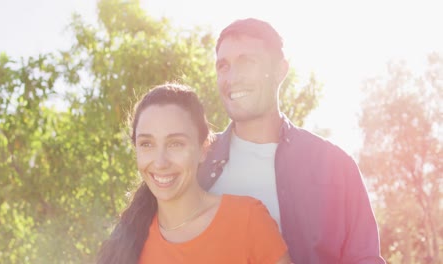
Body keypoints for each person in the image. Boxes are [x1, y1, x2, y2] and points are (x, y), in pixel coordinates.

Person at [197, 18, 386, 263]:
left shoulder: (336, 167)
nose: (232, 78)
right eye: (223, 66)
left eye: (246, 62)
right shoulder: (196, 165)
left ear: (280, 71)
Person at [96, 83, 291, 264]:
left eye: (176, 144)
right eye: (147, 144)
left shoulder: (248, 220)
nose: (160, 162)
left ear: (204, 148)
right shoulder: (126, 243)